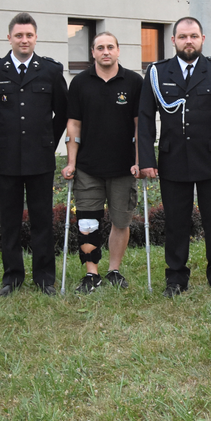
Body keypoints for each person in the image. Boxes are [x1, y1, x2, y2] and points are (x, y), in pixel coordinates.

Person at [139, 16, 211, 297]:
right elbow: (145, 118)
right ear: (173, 41)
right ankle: (176, 278)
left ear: (202, 39)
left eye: (193, 36)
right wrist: (147, 159)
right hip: (173, 159)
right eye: (182, 37)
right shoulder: (157, 73)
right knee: (176, 222)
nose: (188, 41)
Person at [0, 12, 67, 297]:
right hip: (6, 159)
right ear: (9, 38)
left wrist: (48, 142)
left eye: (29, 35)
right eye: (19, 35)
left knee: (42, 220)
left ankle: (44, 277)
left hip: (40, 157)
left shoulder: (51, 70)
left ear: (36, 37)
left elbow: (62, 112)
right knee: (10, 222)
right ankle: (12, 277)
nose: (24, 40)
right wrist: (3, 140)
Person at [61, 32, 143, 293]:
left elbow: (139, 126)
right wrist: (71, 162)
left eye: (110, 47)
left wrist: (139, 161)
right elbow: (74, 124)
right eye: (100, 48)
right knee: (87, 223)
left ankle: (114, 270)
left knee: (121, 221)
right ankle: (91, 274)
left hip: (123, 167)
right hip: (88, 167)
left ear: (118, 50)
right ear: (92, 52)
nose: (105, 51)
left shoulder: (134, 82)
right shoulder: (80, 82)